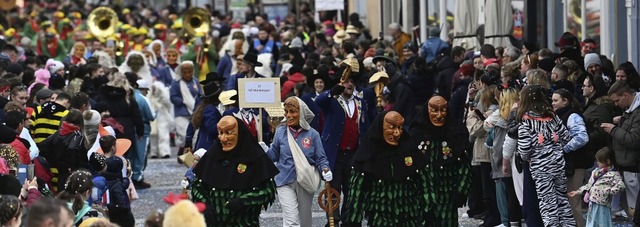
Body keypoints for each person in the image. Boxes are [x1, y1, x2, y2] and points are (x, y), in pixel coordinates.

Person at [342, 111, 428, 226]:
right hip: (380, 219)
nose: (397, 133)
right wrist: (353, 222)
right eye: (391, 127)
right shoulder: (367, 155)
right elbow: (357, 195)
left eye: (400, 128)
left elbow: (425, 188)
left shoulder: (410, 150)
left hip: (409, 219)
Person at [190, 116, 278, 226]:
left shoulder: (255, 157)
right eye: (220, 133)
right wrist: (205, 206)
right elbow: (197, 186)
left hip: (244, 222)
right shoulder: (211, 156)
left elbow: (267, 190)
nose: (223, 138)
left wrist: (244, 201)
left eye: (228, 132)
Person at [265, 97, 332, 227]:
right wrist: (264, 150)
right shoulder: (280, 132)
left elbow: (321, 158)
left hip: (305, 181)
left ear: (301, 113)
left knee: (304, 220)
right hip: (284, 181)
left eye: (292, 111)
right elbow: (273, 155)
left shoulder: (313, 134)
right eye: (286, 111)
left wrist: (326, 169)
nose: (288, 115)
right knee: (292, 220)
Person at [517, 85, 575, 226]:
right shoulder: (552, 117)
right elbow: (567, 137)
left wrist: (530, 156)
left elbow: (524, 150)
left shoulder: (526, 121)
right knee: (562, 200)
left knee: (547, 202)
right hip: (558, 164)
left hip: (540, 167)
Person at [409, 96, 471, 226]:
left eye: (443, 110)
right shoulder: (416, 134)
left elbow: (464, 165)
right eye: (434, 110)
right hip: (421, 196)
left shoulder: (455, 133)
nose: (439, 114)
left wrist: (461, 189)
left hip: (447, 196)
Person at [602, 80, 640, 225]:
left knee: (635, 209)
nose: (616, 104)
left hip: (634, 167)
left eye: (617, 100)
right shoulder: (630, 110)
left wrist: (614, 130)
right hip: (627, 166)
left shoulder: (637, 112)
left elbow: (634, 140)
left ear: (625, 95)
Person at [551, 88, 590, 226]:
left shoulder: (573, 116)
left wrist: (563, 149)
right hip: (567, 164)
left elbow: (582, 137)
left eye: (556, 100)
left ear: (565, 101)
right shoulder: (559, 115)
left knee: (573, 202)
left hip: (575, 165)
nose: (553, 103)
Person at [568, 147, 625, 227]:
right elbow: (589, 185)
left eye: (599, 161)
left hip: (603, 204)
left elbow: (621, 186)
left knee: (603, 223)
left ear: (607, 161)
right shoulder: (595, 172)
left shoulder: (614, 174)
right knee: (592, 222)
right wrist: (577, 192)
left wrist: (607, 191)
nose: (597, 163)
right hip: (592, 202)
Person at [38, 109, 89, 193]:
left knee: (61, 195)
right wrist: (71, 165)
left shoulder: (59, 132)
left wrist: (53, 161)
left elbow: (43, 146)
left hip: (61, 171)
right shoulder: (77, 134)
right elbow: (72, 148)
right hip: (74, 172)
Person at [170, 61, 202, 164]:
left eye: (190, 72)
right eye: (185, 72)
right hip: (182, 112)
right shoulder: (176, 83)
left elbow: (200, 95)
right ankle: (181, 149)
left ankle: (188, 157)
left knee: (194, 136)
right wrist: (183, 101)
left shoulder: (196, 82)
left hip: (194, 112)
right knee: (183, 135)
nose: (187, 74)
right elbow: (173, 97)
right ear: (181, 72)